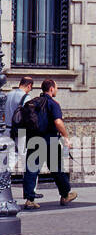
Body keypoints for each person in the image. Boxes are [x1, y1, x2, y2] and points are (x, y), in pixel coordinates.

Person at [18, 80, 75, 208]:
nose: (57, 90)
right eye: (56, 88)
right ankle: (65, 195)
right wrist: (66, 136)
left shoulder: (33, 102)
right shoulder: (52, 104)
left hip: (34, 140)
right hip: (50, 140)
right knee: (57, 169)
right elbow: (58, 122)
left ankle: (29, 199)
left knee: (31, 170)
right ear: (51, 89)